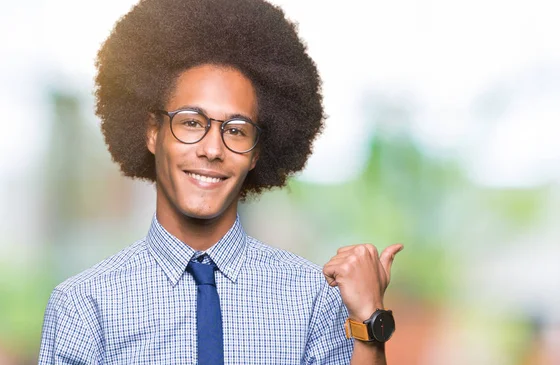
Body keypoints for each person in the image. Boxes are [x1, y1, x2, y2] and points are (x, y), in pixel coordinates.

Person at [38, 0, 403, 364]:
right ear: (153, 132)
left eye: (236, 130)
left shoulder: (313, 299)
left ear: (256, 152)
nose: (213, 149)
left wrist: (370, 322)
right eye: (192, 122)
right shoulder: (84, 307)